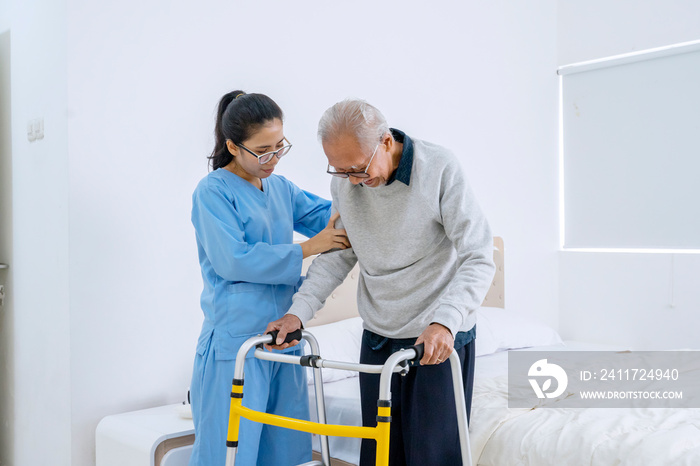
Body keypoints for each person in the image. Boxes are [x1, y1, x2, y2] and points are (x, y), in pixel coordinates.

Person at [266, 99, 495, 466]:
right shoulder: (345, 183)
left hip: (436, 340)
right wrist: (298, 314)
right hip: (379, 338)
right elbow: (339, 255)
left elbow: (479, 255)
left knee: (432, 459)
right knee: (380, 457)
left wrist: (445, 321)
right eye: (341, 172)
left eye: (358, 168)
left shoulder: (438, 168)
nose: (354, 181)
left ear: (386, 142)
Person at [188, 90, 350, 466]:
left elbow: (333, 216)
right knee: (228, 455)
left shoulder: (280, 187)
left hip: (283, 341)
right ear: (232, 145)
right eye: (263, 150)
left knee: (286, 452)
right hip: (236, 345)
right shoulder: (212, 192)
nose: (273, 159)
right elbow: (234, 259)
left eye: (280, 147)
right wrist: (310, 248)